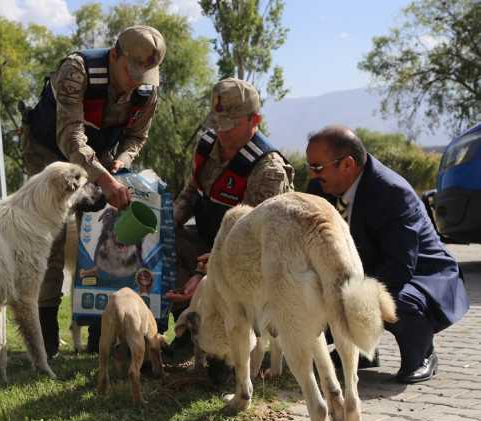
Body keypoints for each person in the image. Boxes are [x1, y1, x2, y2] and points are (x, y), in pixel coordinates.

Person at [21, 25, 167, 358]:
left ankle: (101, 331)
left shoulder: (147, 88)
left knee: (108, 234)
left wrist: (119, 163)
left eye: (144, 75)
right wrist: (103, 178)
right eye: (132, 73)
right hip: (49, 152)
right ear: (115, 55)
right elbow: (70, 138)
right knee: (53, 239)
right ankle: (45, 340)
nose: (136, 82)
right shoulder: (77, 71)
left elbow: (136, 137)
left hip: (99, 156)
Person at [305, 125, 469, 383]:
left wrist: (348, 298)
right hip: (371, 269)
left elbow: (399, 266)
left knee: (388, 300)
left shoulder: (391, 192)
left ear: (347, 164)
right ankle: (363, 351)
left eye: (317, 167)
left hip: (422, 275)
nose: (312, 175)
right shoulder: (318, 189)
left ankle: (422, 353)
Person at [167, 78, 295, 351]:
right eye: (217, 122)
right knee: (165, 244)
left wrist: (205, 272)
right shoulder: (207, 145)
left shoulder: (268, 169)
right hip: (210, 241)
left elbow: (253, 241)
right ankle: (187, 332)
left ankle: (226, 347)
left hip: (249, 257)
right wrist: (166, 227)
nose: (222, 132)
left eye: (231, 124)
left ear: (254, 120)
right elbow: (191, 193)